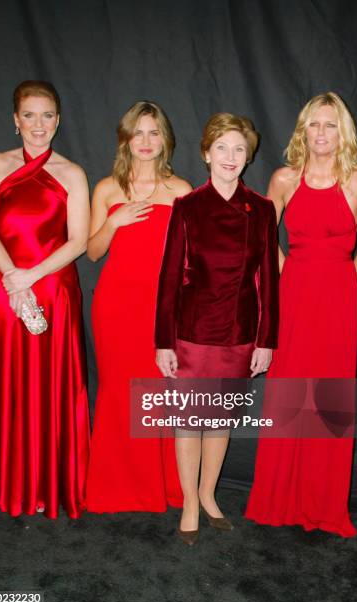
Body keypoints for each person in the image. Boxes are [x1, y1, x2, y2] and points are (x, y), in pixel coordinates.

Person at [245, 92, 357, 537]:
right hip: (295, 293)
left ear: (344, 131)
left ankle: (322, 503)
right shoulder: (284, 178)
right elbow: (264, 235)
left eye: (330, 125)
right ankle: (278, 498)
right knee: (288, 392)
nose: (322, 133)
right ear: (304, 129)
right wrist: (289, 275)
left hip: (339, 299)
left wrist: (345, 284)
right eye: (315, 124)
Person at [155, 112, 279, 545]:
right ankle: (189, 501)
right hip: (191, 334)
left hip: (240, 334)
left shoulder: (262, 209)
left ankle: (209, 496)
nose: (230, 157)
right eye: (222, 148)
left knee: (220, 420)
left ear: (248, 158)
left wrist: (266, 340)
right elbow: (169, 277)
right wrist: (163, 341)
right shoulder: (187, 206)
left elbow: (269, 281)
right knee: (189, 420)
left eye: (239, 149)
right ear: (207, 153)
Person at [0, 81, 90, 518]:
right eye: (29, 115)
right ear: (15, 119)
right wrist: (13, 278)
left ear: (58, 121)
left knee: (50, 386)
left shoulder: (73, 173)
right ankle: (3, 486)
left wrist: (31, 277)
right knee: (5, 385)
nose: (38, 124)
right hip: (1, 291)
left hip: (53, 290)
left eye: (47, 116)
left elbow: (78, 240)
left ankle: (50, 486)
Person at [85, 101, 191, 513]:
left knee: (158, 394)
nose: (146, 142)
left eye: (154, 132)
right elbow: (92, 253)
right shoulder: (107, 188)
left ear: (164, 139)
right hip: (114, 304)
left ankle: (160, 488)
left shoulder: (180, 190)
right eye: (139, 133)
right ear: (126, 138)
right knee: (117, 394)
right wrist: (114, 222)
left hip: (161, 306)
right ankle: (117, 488)